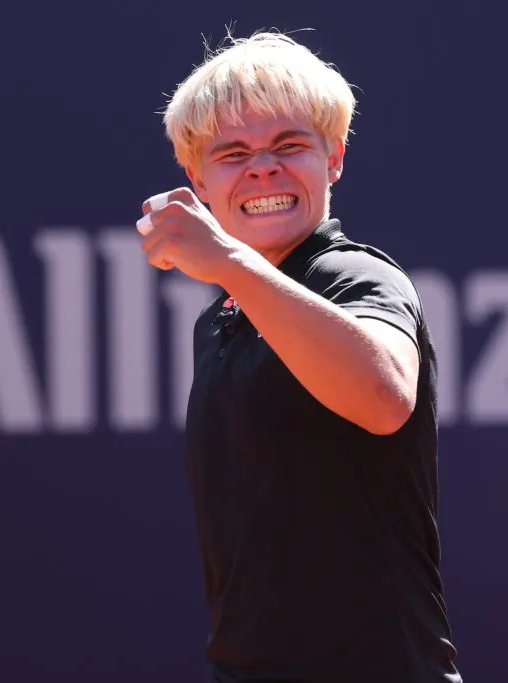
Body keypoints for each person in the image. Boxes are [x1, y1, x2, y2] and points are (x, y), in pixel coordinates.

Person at [137, 29, 463, 683]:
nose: (263, 167)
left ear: (334, 157)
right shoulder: (221, 322)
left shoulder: (359, 277)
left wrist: (228, 261)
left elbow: (384, 396)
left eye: (289, 145)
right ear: (197, 178)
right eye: (232, 154)